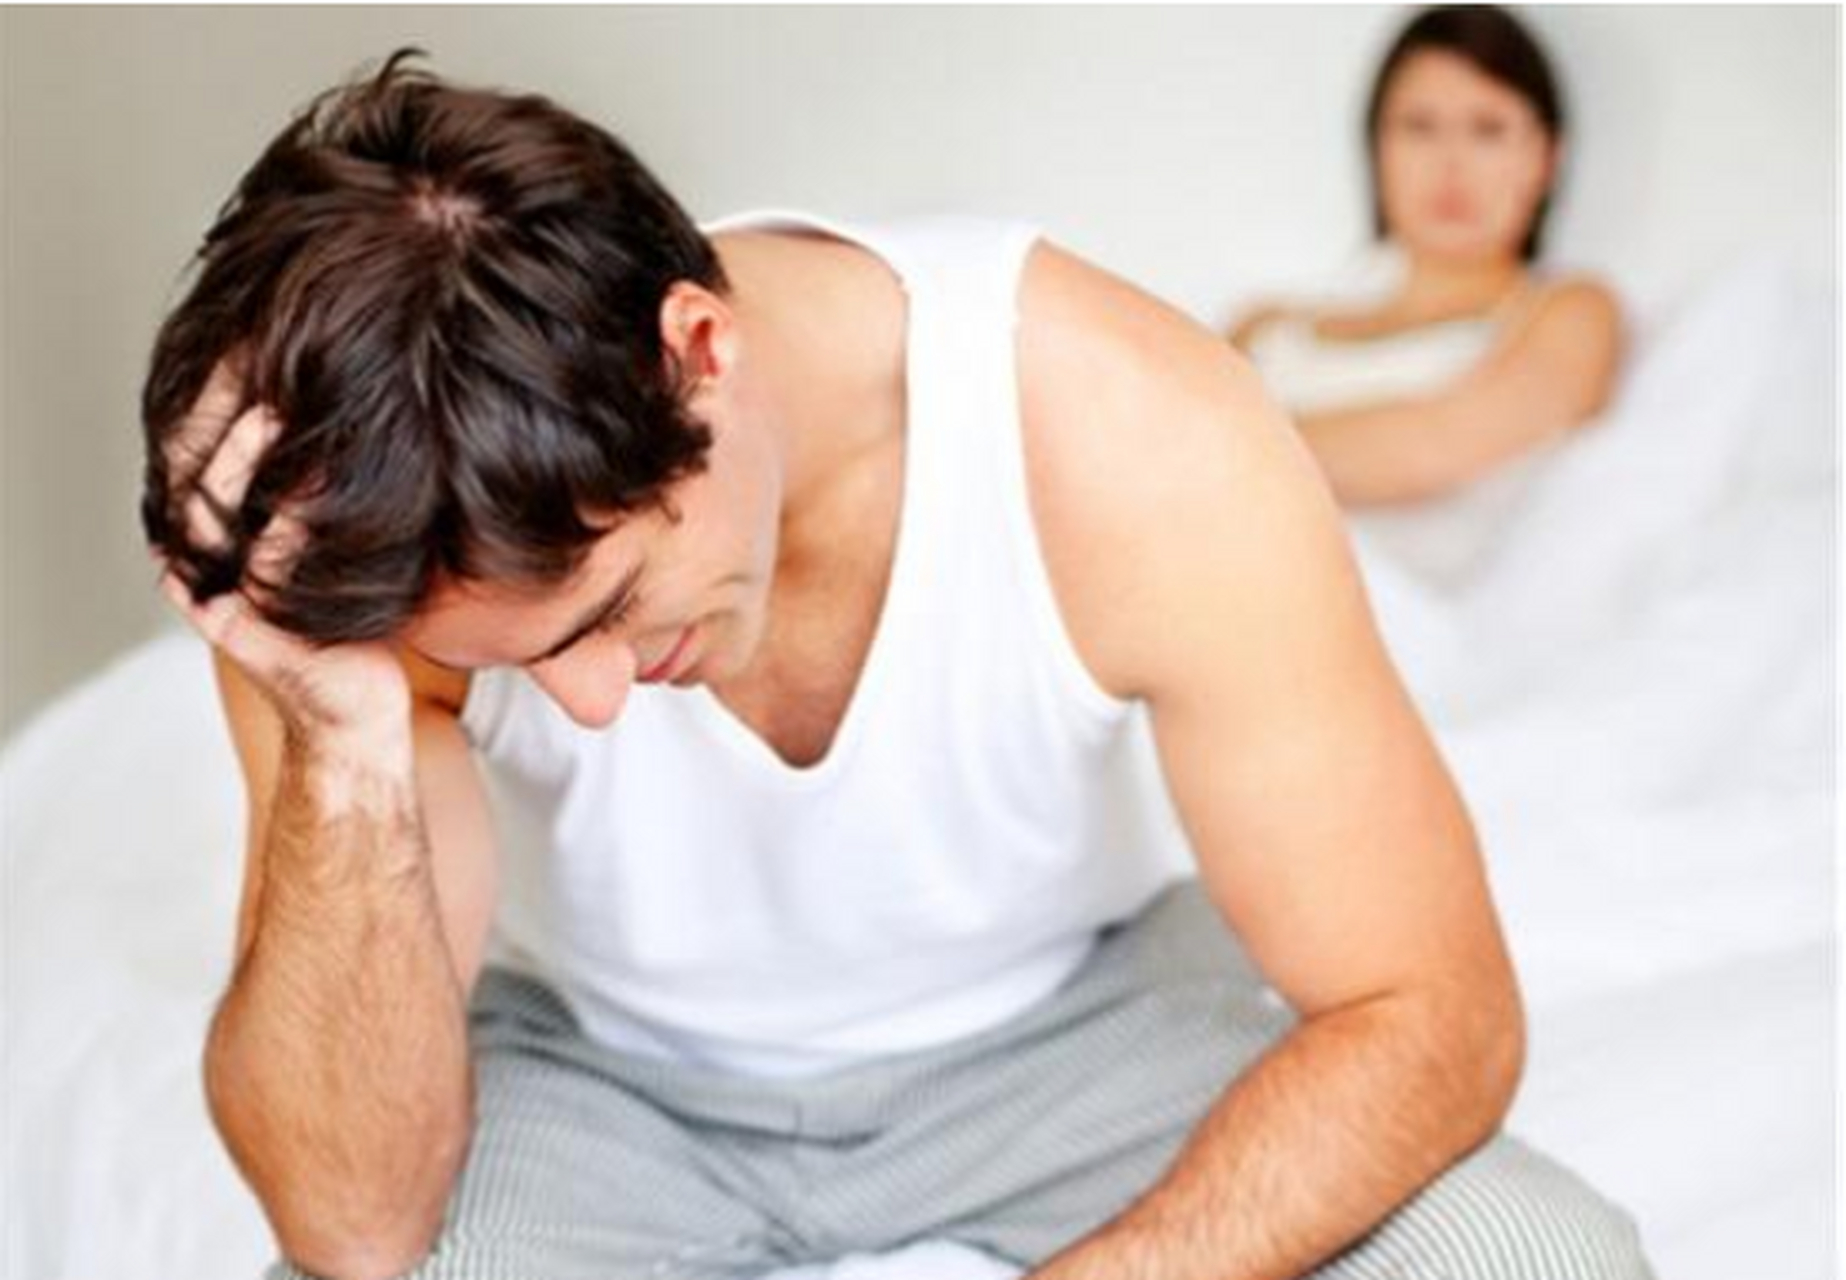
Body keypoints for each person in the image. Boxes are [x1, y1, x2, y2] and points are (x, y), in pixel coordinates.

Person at [141, 48, 1655, 1280]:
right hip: (605, 1077)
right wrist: (337, 733)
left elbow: (1432, 1015)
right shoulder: (359, 547)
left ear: (700, 353)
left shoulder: (1129, 426)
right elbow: (352, 1224)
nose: (586, 699)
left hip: (1068, 1035)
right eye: (518, 662)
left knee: (1541, 1261)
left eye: (606, 605)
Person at [1228, 5, 1624, 509]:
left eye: (1488, 129)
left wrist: (1220, 448)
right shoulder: (1265, 325)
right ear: (1376, 148)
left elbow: (1433, 448)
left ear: (1546, 158)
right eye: (1419, 126)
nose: (1450, 163)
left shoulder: (1572, 312)